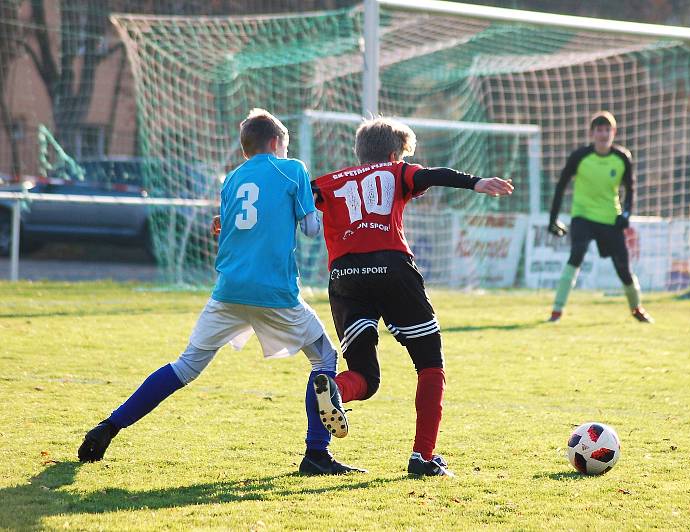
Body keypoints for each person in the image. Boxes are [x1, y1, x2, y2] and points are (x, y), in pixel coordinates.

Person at [78, 108, 365, 476]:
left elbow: (234, 224)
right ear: (277, 144)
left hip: (228, 291)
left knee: (184, 367)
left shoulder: (231, 179)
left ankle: (108, 427)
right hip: (274, 292)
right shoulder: (292, 168)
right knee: (325, 359)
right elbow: (310, 229)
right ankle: (316, 454)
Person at [311, 117, 514, 477]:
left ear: (359, 153)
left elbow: (290, 203)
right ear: (393, 155)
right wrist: (476, 183)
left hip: (344, 277)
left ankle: (337, 389)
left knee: (365, 376)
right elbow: (430, 175)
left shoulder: (328, 181)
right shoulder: (395, 171)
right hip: (392, 268)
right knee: (430, 364)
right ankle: (422, 457)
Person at [547, 111, 653, 323]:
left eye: (607, 130)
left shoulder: (622, 157)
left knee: (623, 267)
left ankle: (636, 308)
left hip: (609, 219)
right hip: (582, 216)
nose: (603, 134)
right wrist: (553, 219)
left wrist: (626, 213)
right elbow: (561, 186)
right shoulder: (580, 156)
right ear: (592, 133)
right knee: (577, 253)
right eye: (599, 130)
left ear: (614, 132)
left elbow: (630, 190)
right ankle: (556, 311)